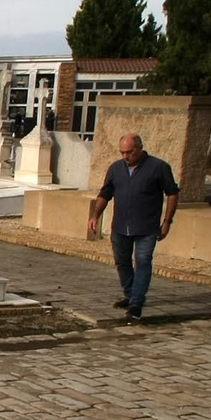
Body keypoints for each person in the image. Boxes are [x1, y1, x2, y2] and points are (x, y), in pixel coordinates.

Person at [88, 133, 178, 324]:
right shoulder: (116, 169)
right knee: (122, 261)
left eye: (130, 152)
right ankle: (130, 294)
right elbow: (106, 192)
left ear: (140, 149)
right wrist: (95, 215)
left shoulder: (158, 167)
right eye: (122, 152)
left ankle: (136, 303)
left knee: (143, 261)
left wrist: (167, 221)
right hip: (121, 225)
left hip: (147, 226)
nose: (126, 156)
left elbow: (172, 193)